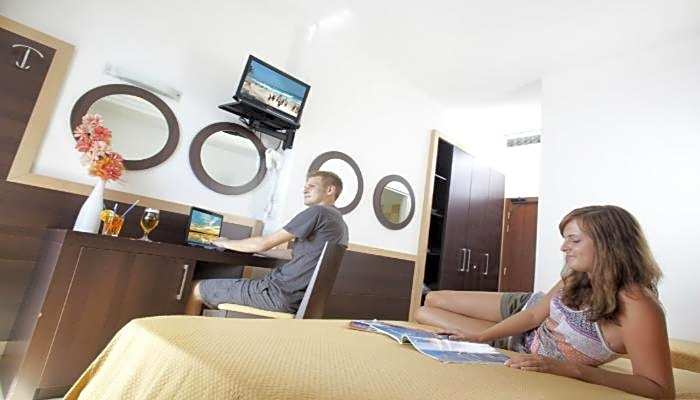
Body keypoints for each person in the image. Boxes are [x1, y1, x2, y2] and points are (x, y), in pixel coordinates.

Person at [414, 205, 675, 399]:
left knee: (423, 314)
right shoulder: (577, 276)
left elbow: (660, 389)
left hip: (522, 343)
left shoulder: (639, 306)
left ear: (610, 245)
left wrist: (572, 370)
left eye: (574, 240)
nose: (563, 247)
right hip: (525, 309)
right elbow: (533, 315)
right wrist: (481, 337)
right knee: (434, 298)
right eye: (565, 239)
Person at [185, 170, 349, 316]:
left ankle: (185, 339)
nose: (304, 190)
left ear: (330, 190)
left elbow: (263, 243)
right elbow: (293, 253)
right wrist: (259, 251)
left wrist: (225, 243)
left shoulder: (318, 212)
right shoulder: (339, 224)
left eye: (311, 186)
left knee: (196, 289)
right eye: (305, 186)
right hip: (296, 299)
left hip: (276, 294)